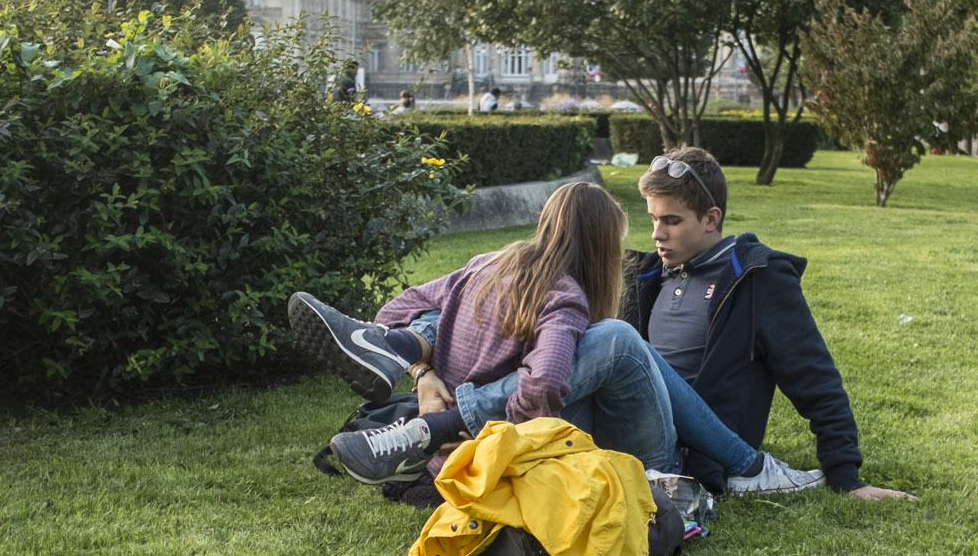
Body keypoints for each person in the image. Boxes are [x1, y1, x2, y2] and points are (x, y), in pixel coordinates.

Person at [288, 182, 820, 495]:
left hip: (458, 459)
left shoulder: (487, 264)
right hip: (554, 460)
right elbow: (542, 390)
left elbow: (397, 307)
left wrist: (424, 372)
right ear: (597, 247)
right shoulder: (564, 297)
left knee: (430, 322)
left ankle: (399, 358)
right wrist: (447, 407)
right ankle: (752, 469)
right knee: (616, 339)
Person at [627, 147, 916, 501]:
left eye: (672, 221)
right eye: (653, 219)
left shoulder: (757, 279)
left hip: (694, 456)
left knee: (622, 344)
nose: (657, 234)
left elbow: (814, 376)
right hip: (635, 432)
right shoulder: (648, 277)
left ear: (711, 219)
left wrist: (846, 476)